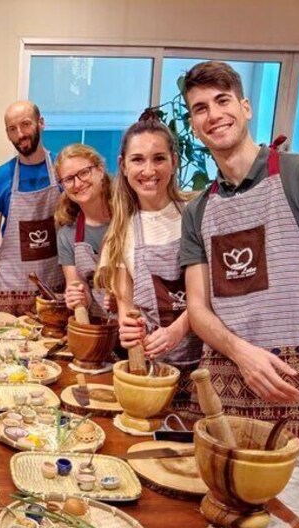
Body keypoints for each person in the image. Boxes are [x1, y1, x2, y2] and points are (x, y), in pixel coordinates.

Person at [179, 61, 299, 521]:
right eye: (200, 108)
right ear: (194, 124)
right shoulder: (197, 211)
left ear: (245, 107)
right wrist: (242, 353)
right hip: (226, 396)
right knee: (220, 524)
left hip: (294, 393)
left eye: (222, 101)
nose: (213, 115)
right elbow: (198, 309)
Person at [97, 111, 202, 410]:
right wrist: (129, 329)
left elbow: (214, 293)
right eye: (138, 160)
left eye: (158, 159)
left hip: (206, 367)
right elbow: (126, 309)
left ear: (174, 161)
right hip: (155, 374)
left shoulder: (198, 212)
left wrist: (177, 329)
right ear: (123, 165)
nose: (148, 170)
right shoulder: (120, 232)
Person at [0, 100, 63, 316]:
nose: (20, 134)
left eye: (26, 124)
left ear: (40, 123)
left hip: (55, 290)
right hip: (10, 290)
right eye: (12, 129)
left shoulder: (63, 170)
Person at [54, 143, 113, 319]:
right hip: (99, 327)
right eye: (69, 179)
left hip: (139, 327)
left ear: (100, 170)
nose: (78, 183)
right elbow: (80, 290)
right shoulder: (67, 235)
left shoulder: (128, 219)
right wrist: (78, 297)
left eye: (84, 172)